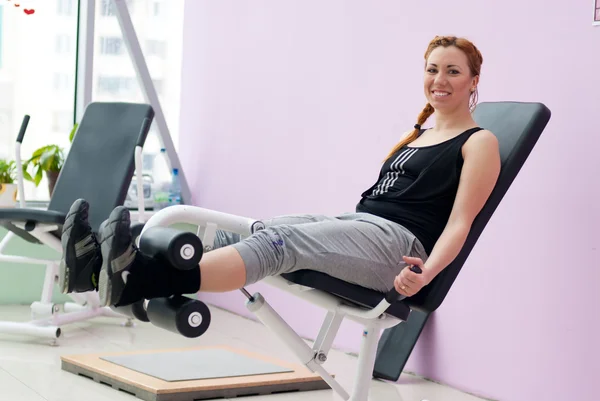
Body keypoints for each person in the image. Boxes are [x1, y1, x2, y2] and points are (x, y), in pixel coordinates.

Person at [58, 35, 500, 308]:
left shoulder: (479, 142)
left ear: (473, 81)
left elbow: (460, 224)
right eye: (432, 69)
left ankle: (137, 281)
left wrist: (424, 273)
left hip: (399, 248)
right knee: (247, 232)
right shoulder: (414, 133)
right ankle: (95, 265)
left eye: (453, 71)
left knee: (277, 243)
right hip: (361, 224)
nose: (439, 79)